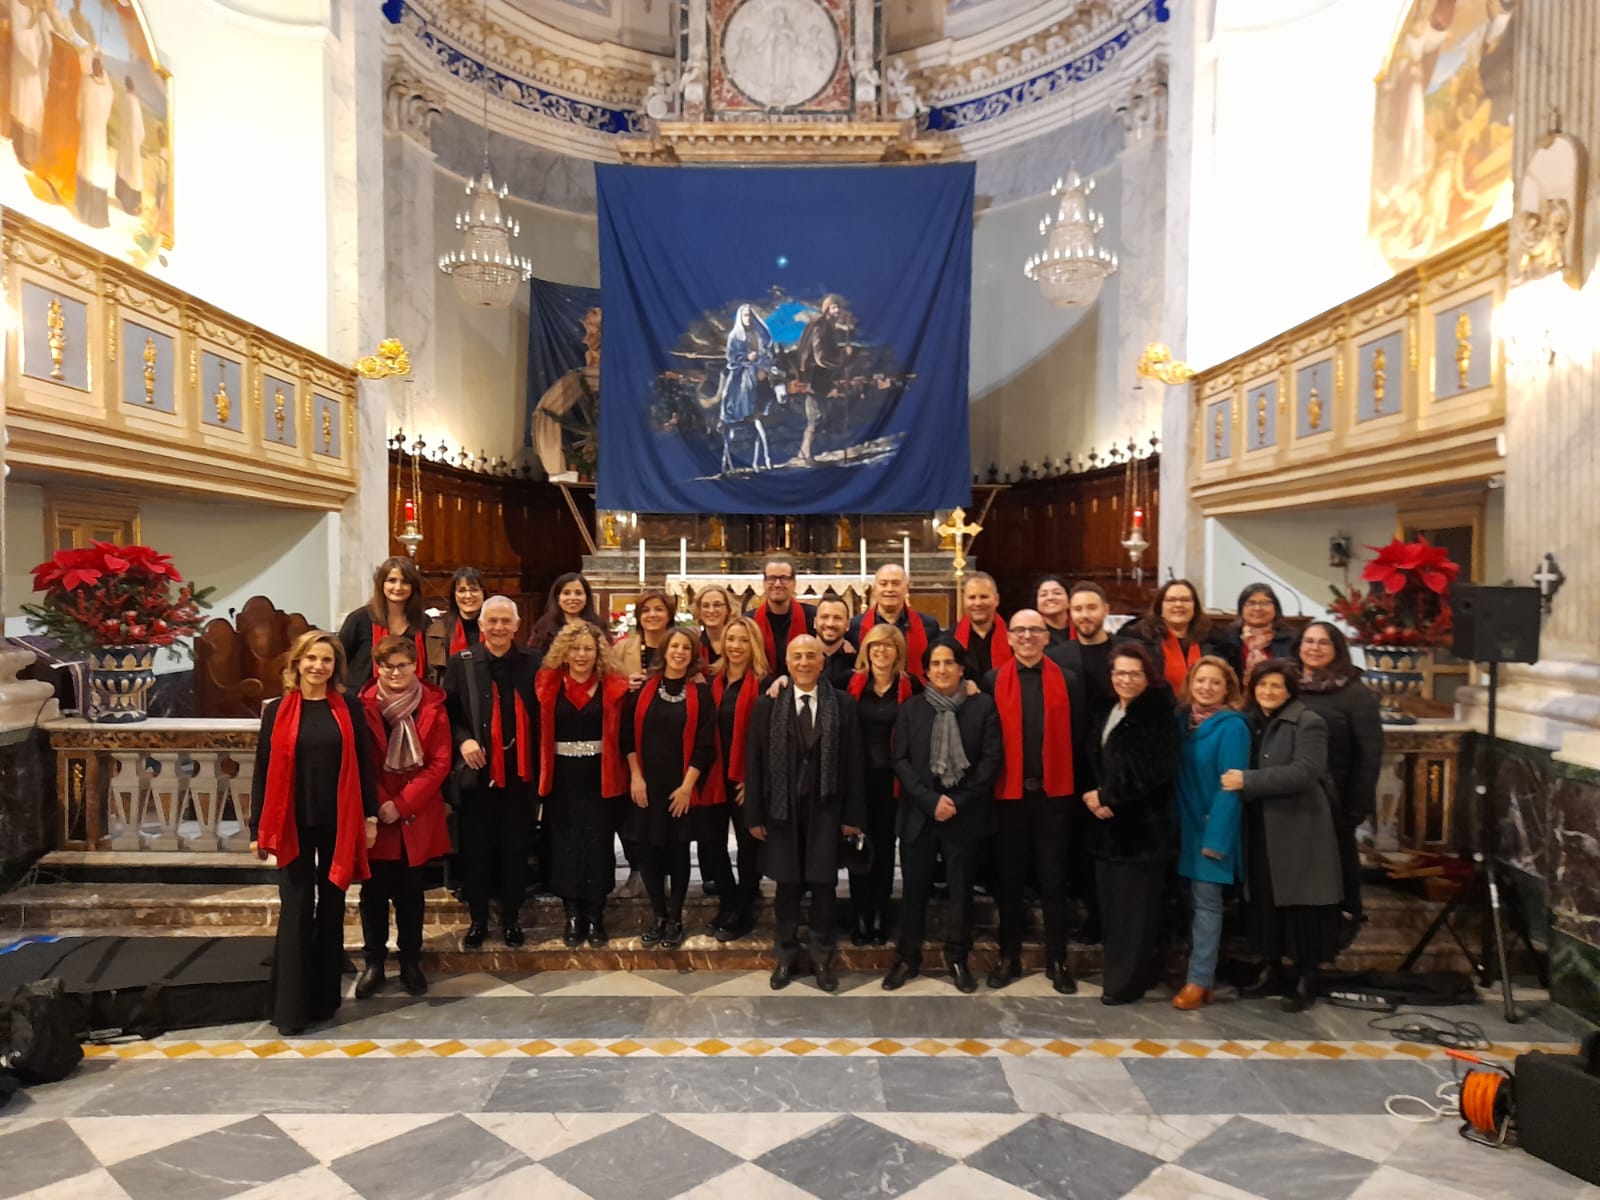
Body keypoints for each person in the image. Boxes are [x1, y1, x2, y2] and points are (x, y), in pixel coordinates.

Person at [252, 630, 378, 1036]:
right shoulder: (276, 711)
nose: (318, 666)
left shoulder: (349, 708)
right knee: (295, 907)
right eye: (311, 658)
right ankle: (290, 1008)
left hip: (338, 821)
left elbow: (363, 763)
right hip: (292, 822)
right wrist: (257, 828)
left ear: (334, 668)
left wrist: (370, 817)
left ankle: (324, 1001)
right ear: (297, 663)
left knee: (333, 907)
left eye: (326, 660)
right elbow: (262, 770)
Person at [745, 635, 866, 992]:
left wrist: (852, 816)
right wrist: (754, 815)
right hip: (782, 810)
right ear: (786, 661)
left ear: (822, 661)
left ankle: (821, 958)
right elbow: (753, 763)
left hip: (827, 808)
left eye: (810, 655)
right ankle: (785, 957)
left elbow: (855, 764)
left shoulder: (843, 705)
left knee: (824, 885)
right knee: (787, 885)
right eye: (796, 656)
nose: (803, 662)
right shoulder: (768, 704)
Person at [1223, 659, 1343, 1012]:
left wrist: (1249, 781)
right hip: (1261, 823)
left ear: (1290, 689)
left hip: (1298, 825)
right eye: (1262, 685)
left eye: (1276, 686)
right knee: (1264, 900)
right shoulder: (1250, 720)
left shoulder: (1308, 721)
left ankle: (1306, 978)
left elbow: (1306, 771)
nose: (1268, 692)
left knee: (1302, 906)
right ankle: (1270, 969)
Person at [983, 608, 1091, 993]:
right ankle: (1008, 956)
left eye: (1035, 630)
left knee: (1053, 881)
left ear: (1048, 637)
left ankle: (1057, 959)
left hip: (1054, 797)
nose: (1027, 636)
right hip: (1008, 797)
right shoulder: (993, 680)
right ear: (1009, 637)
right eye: (1020, 631)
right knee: (1009, 880)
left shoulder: (1070, 681)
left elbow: (1078, 738)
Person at [885, 637, 1001, 994]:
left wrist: (958, 801)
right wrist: (930, 799)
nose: (942, 669)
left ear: (961, 668)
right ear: (926, 671)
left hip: (964, 816)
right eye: (935, 664)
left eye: (949, 663)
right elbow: (900, 760)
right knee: (914, 892)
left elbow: (990, 761)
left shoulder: (982, 708)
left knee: (960, 891)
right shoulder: (911, 709)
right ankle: (908, 957)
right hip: (920, 813)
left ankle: (957, 957)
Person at [1082, 643, 1180, 1005]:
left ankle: (1126, 984)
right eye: (1119, 672)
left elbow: (1152, 773)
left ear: (1148, 676)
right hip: (1106, 828)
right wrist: (1093, 794)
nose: (1125, 679)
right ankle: (1118, 973)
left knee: (1135, 915)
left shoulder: (1158, 716)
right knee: (1113, 911)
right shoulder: (1108, 708)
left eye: (1133, 673)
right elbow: (1093, 757)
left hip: (1143, 830)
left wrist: (1106, 797)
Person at [355, 634, 452, 998]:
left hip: (414, 814)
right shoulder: (361, 705)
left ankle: (411, 962)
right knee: (373, 895)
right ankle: (374, 964)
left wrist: (402, 804)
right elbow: (360, 761)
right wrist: (381, 803)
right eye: (388, 665)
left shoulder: (433, 704)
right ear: (378, 667)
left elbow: (440, 762)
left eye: (403, 665)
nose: (395, 672)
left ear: (416, 667)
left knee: (412, 896)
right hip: (375, 817)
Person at [444, 595, 539, 949]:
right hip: (478, 776)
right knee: (477, 851)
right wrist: (464, 740)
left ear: (517, 626)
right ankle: (479, 919)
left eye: (505, 621)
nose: (498, 627)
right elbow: (448, 714)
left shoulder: (535, 662)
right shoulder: (462, 663)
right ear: (481, 626)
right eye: (492, 621)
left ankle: (512, 919)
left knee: (516, 850)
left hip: (519, 776)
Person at [536, 621, 630, 948]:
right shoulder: (548, 685)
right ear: (564, 651)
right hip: (562, 777)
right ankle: (572, 913)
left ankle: (595, 914)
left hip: (600, 775)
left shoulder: (613, 686)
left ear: (598, 652)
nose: (581, 655)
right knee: (565, 844)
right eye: (575, 648)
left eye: (588, 648)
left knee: (598, 844)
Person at [621, 627, 715, 948]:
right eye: (674, 646)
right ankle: (658, 916)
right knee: (648, 853)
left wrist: (688, 787)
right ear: (665, 650)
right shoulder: (643, 688)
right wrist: (635, 777)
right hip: (646, 785)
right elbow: (626, 738)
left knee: (677, 853)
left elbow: (705, 745)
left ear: (693, 655)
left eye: (685, 648)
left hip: (680, 788)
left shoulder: (701, 693)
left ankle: (675, 919)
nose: (679, 652)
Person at [1294, 621, 1383, 937]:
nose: (1314, 648)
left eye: (1323, 643)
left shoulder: (1355, 693)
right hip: (1289, 797)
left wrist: (1356, 806)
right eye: (1308, 641)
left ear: (1337, 650)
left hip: (1336, 800)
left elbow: (1369, 754)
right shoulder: (1288, 684)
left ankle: (1336, 933)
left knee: (1333, 872)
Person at [1172, 656, 1250, 1011]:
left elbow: (1230, 786)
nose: (1206, 687)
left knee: (1207, 906)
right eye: (1200, 681)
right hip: (1181, 826)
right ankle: (1194, 972)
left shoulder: (1233, 727)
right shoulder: (1180, 721)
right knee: (1186, 905)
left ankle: (1199, 981)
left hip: (1209, 829)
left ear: (1227, 689)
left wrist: (1216, 840)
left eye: (1214, 682)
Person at [846, 623, 921, 947]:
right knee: (859, 847)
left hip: (894, 782)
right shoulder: (849, 683)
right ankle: (860, 915)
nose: (881, 651)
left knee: (887, 847)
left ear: (898, 652)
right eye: (875, 646)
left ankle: (879, 915)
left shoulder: (912, 686)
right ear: (867, 650)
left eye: (888, 646)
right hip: (858, 780)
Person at [704, 615, 771, 941]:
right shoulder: (711, 679)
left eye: (744, 640)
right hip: (715, 775)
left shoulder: (766, 683)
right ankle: (728, 901)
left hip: (746, 778)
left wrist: (754, 779)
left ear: (753, 644)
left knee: (747, 846)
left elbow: (772, 738)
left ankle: (743, 908)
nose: (736, 646)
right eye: (731, 639)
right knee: (711, 842)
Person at [340, 557, 432, 684]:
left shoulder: (423, 622)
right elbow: (339, 659)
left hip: (412, 698)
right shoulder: (359, 619)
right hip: (362, 699)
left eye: (405, 582)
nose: (398, 587)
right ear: (381, 584)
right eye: (391, 580)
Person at [850, 563, 941, 683]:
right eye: (883, 584)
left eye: (896, 584)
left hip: (916, 695)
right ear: (875, 588)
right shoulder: (856, 626)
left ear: (906, 588)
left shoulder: (928, 625)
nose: (889, 589)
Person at [1131, 578, 1214, 696]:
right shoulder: (1141, 639)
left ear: (1195, 607)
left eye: (1185, 600)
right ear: (1160, 608)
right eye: (1171, 600)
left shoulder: (1212, 639)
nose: (1179, 605)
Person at [1214, 583, 1297, 682]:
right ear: (1241, 609)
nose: (1257, 608)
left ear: (1276, 608)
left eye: (1265, 603)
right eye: (1251, 603)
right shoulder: (1226, 641)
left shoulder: (1291, 640)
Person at [750, 555, 814, 672]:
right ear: (764, 583)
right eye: (772, 578)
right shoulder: (750, 621)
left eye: (784, 578)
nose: (778, 584)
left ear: (794, 583)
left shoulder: (813, 617)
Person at [425, 566, 486, 680]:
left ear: (483, 592)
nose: (468, 596)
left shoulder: (495, 627)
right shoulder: (437, 630)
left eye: (474, 589)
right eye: (462, 590)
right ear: (454, 595)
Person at [529, 572, 603, 658]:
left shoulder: (598, 625)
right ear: (557, 598)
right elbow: (533, 657)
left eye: (578, 593)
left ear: (587, 597)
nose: (572, 598)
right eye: (566, 593)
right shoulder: (544, 625)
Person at [952, 571, 1007, 679]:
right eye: (972, 597)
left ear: (996, 599)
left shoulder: (1014, 637)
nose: (977, 603)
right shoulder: (950, 639)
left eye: (984, 597)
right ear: (964, 600)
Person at [616, 587, 675, 684]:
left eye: (659, 609)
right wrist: (624, 684)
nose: (652, 614)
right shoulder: (622, 648)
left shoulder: (681, 646)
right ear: (638, 617)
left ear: (669, 615)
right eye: (645, 610)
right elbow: (607, 682)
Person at [812, 592, 857, 688]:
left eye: (837, 618)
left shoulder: (856, 660)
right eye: (824, 617)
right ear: (815, 623)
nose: (830, 624)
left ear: (847, 625)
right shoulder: (801, 658)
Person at [694, 584, 735, 663]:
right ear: (699, 611)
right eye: (705, 606)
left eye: (717, 605)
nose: (711, 610)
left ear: (728, 609)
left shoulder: (737, 643)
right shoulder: (694, 644)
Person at [1036, 575, 1073, 645]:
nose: (1050, 598)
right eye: (1043, 595)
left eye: (1057, 593)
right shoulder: (1031, 633)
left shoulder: (1081, 628)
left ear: (1069, 601)